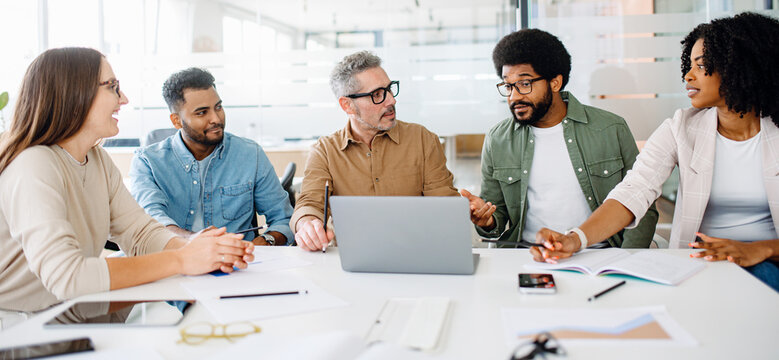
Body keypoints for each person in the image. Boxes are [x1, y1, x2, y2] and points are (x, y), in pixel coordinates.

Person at [532, 12, 779, 291]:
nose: (688, 75)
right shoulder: (680, 128)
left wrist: (762, 249)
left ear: (741, 67)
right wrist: (575, 239)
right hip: (701, 267)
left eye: (702, 65)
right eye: (690, 65)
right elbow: (634, 191)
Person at [0, 48, 254, 316]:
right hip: (20, 328)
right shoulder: (32, 164)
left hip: (64, 314)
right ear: (73, 94)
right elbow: (68, 276)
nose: (123, 98)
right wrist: (183, 259)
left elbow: (139, 233)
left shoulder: (97, 160)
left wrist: (199, 249)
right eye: (112, 87)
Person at [461, 29, 658, 248]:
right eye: (508, 86)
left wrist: (627, 261)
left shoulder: (611, 129)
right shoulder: (498, 139)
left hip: (600, 254)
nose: (514, 96)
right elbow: (496, 215)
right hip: (527, 253)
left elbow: (642, 205)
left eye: (525, 84)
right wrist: (487, 220)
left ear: (555, 83)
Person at [291, 51, 458, 251]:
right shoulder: (325, 151)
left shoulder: (422, 140)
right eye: (377, 94)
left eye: (389, 89)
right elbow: (309, 203)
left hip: (416, 256)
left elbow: (444, 207)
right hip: (352, 261)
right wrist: (307, 224)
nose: (391, 101)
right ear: (348, 105)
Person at [129, 68, 293, 246]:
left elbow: (284, 220)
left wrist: (261, 244)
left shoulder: (250, 154)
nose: (216, 118)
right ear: (176, 121)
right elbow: (151, 224)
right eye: (202, 112)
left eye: (218, 107)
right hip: (173, 262)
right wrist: (193, 241)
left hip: (239, 267)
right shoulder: (147, 162)